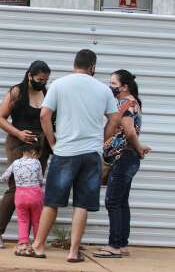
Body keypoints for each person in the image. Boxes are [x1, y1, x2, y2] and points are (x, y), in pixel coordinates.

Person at [31, 49, 121, 262]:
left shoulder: (59, 85)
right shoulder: (103, 90)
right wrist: (101, 140)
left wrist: (52, 140)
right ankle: (73, 252)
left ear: (75, 64)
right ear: (93, 67)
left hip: (65, 152)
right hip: (91, 154)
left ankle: (39, 246)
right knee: (82, 203)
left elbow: (44, 115)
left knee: (52, 201)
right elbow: (115, 120)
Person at [0, 61, 51, 249]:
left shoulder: (47, 93)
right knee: (16, 186)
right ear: (29, 76)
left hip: (40, 145)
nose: (42, 83)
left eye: (46, 80)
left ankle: (35, 237)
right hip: (18, 143)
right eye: (40, 79)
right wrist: (18, 133)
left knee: (35, 188)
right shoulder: (17, 92)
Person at [93, 70, 151, 259]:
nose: (110, 86)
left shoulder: (126, 103)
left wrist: (139, 148)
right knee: (122, 201)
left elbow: (129, 131)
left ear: (124, 86)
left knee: (113, 201)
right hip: (128, 157)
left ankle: (115, 245)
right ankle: (122, 244)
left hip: (124, 157)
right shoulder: (131, 102)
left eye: (113, 83)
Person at [1, 144, 44, 256]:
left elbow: (4, 177)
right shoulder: (36, 162)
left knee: (23, 220)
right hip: (35, 195)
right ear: (34, 152)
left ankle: (23, 243)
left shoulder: (15, 163)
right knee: (37, 220)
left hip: (20, 195)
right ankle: (37, 243)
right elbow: (40, 179)